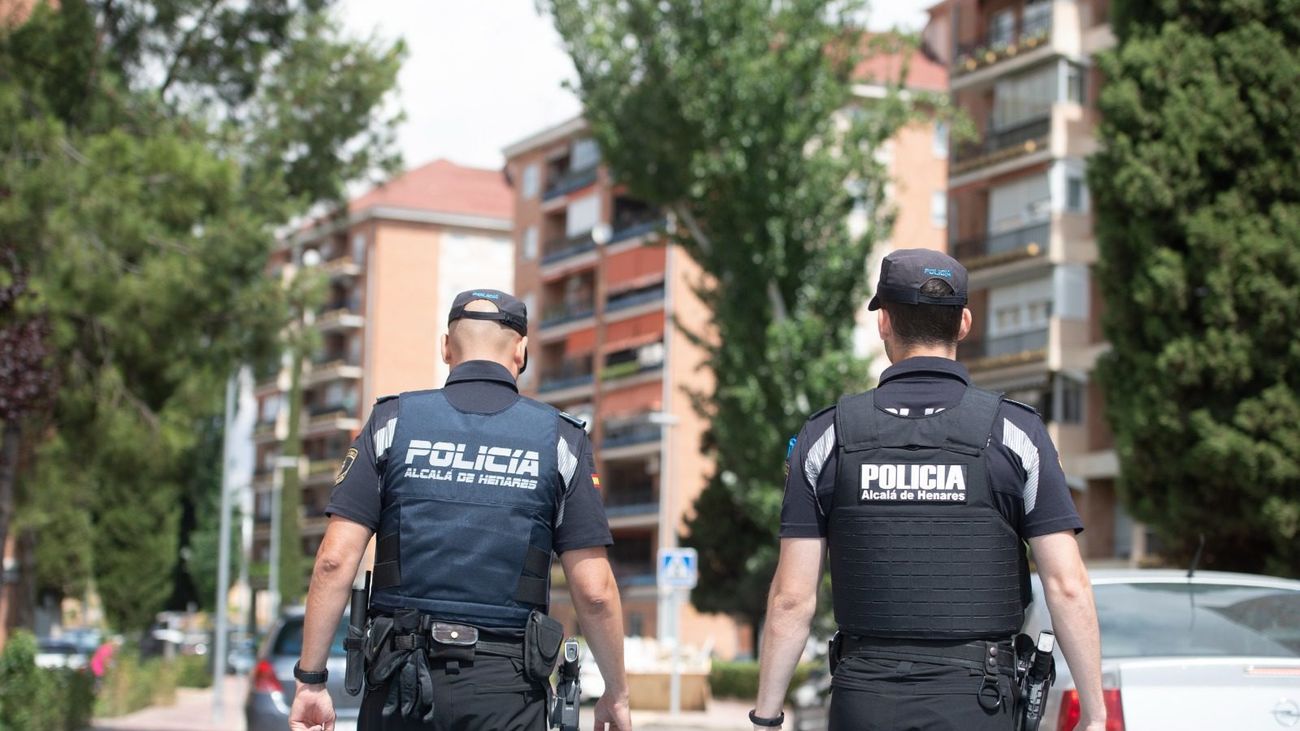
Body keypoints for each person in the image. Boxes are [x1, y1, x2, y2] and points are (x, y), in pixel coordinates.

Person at [749, 250, 1106, 731]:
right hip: (979, 703)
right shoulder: (1015, 433)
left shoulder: (826, 436)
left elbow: (792, 598)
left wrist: (767, 716)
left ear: (884, 322)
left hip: (864, 700)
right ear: (964, 323)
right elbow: (1066, 585)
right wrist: (1095, 714)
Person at [288, 289, 633, 731]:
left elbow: (334, 561)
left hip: (400, 684)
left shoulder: (391, 423)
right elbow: (596, 591)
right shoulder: (561, 441)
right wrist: (615, 693)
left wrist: (311, 682)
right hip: (507, 693)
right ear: (521, 352)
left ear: (446, 347)